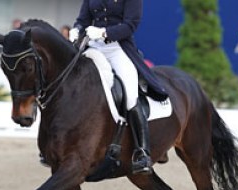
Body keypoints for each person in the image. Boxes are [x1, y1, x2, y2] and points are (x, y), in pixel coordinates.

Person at [69, 0, 168, 174]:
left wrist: (104, 32)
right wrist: (77, 28)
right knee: (72, 83)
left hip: (117, 48)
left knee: (130, 96)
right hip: (93, 47)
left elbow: (130, 25)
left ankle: (142, 152)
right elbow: (83, 19)